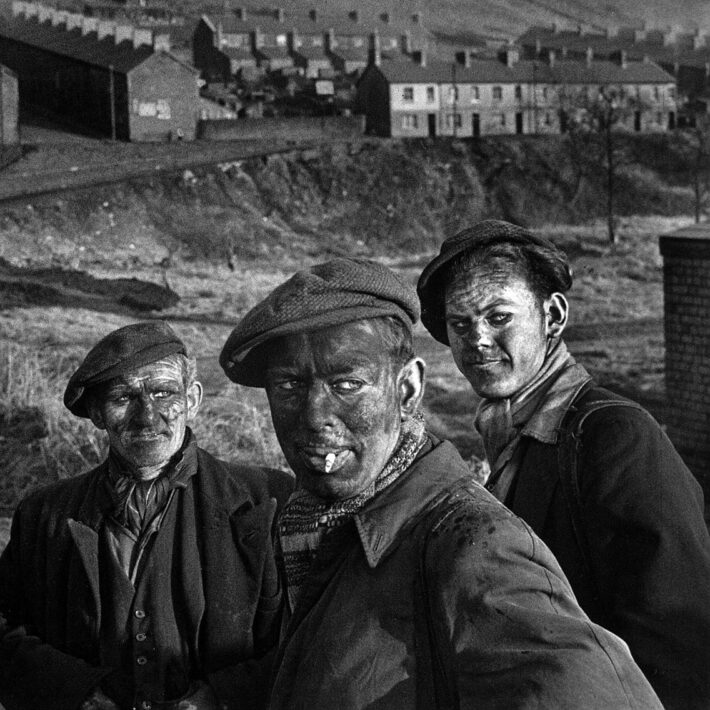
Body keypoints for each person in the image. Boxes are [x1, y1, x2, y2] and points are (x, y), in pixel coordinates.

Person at [218, 257, 663, 710]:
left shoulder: (473, 543)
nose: (313, 417)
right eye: (289, 386)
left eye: (348, 384)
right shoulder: (316, 521)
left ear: (407, 389)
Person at [417, 219, 710, 710]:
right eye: (461, 324)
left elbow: (681, 641)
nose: (478, 341)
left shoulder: (613, 436)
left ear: (552, 316)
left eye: (499, 317)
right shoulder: (515, 439)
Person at [0, 322, 293, 710]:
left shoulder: (266, 501)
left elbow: (311, 636)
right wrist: (76, 693)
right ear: (97, 412)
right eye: (123, 397)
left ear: (192, 399)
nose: (147, 416)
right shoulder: (46, 514)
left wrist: (222, 697)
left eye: (163, 393)